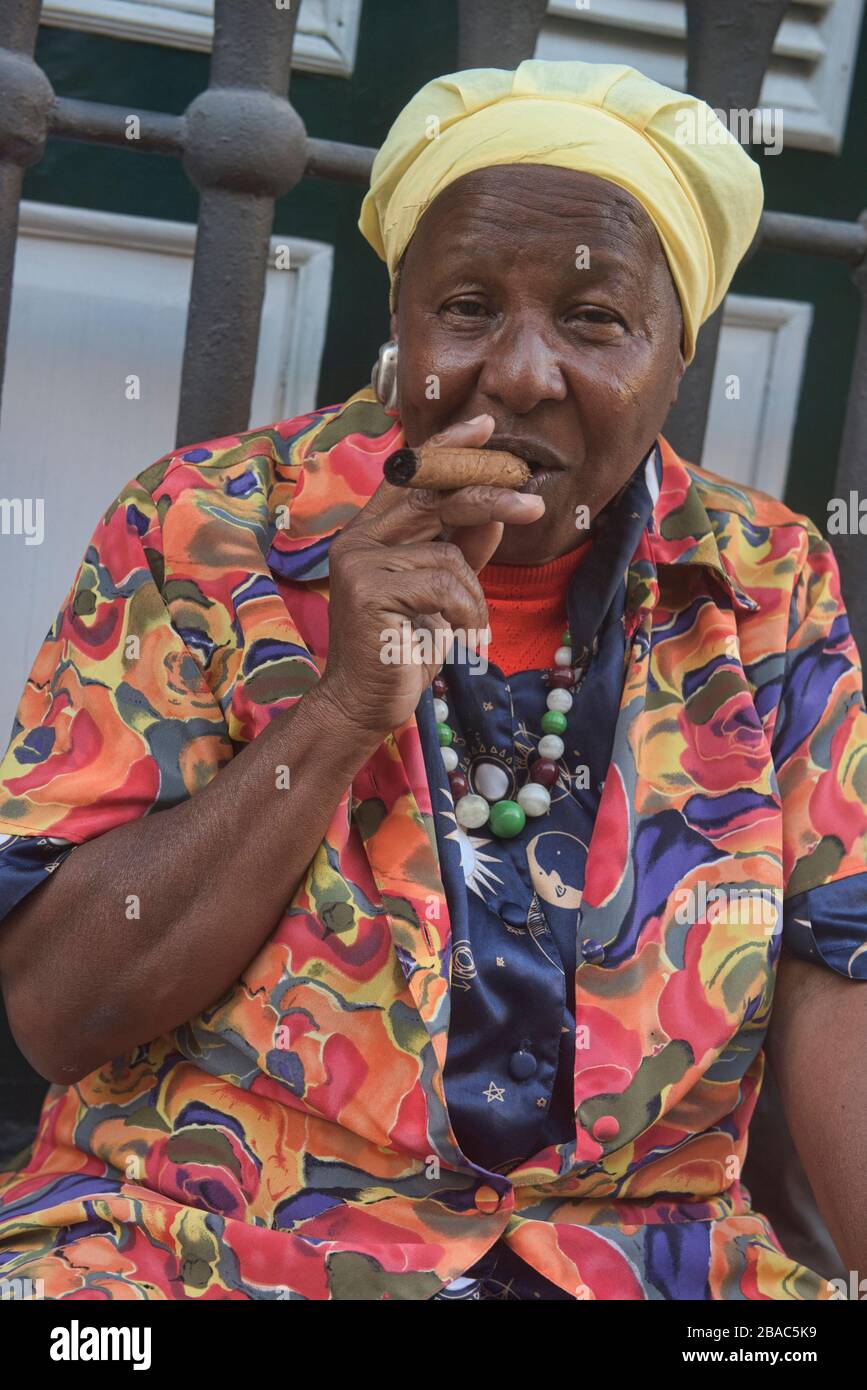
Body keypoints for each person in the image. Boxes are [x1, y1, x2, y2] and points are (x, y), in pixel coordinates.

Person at [0, 58, 865, 1301]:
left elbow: (842, 969)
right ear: (399, 330)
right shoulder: (205, 529)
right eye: (465, 308)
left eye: (594, 320)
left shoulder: (765, 577)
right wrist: (345, 708)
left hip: (639, 1266)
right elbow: (56, 1009)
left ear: (680, 354)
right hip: (212, 1244)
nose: (519, 373)